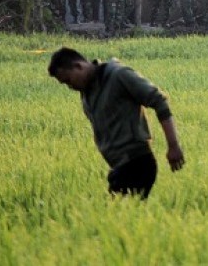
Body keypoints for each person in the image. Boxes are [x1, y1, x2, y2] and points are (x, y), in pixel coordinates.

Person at [47, 47, 185, 199]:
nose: (70, 87)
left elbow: (159, 101)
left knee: (120, 215)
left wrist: (173, 146)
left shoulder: (118, 75)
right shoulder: (87, 92)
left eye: (68, 80)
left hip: (137, 163)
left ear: (78, 66)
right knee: (124, 216)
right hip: (119, 167)